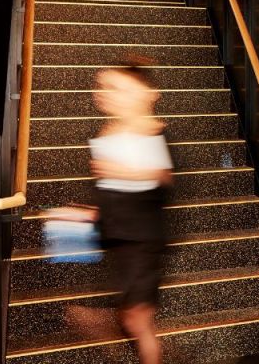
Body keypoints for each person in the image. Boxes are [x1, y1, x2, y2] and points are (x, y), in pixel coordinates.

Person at [89, 60, 172, 364]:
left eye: (115, 88)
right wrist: (91, 213)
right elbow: (111, 188)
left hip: (142, 241)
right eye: (103, 87)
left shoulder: (150, 128)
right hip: (120, 237)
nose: (105, 93)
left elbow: (162, 176)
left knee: (138, 321)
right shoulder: (112, 129)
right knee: (131, 318)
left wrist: (121, 170)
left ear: (142, 93)